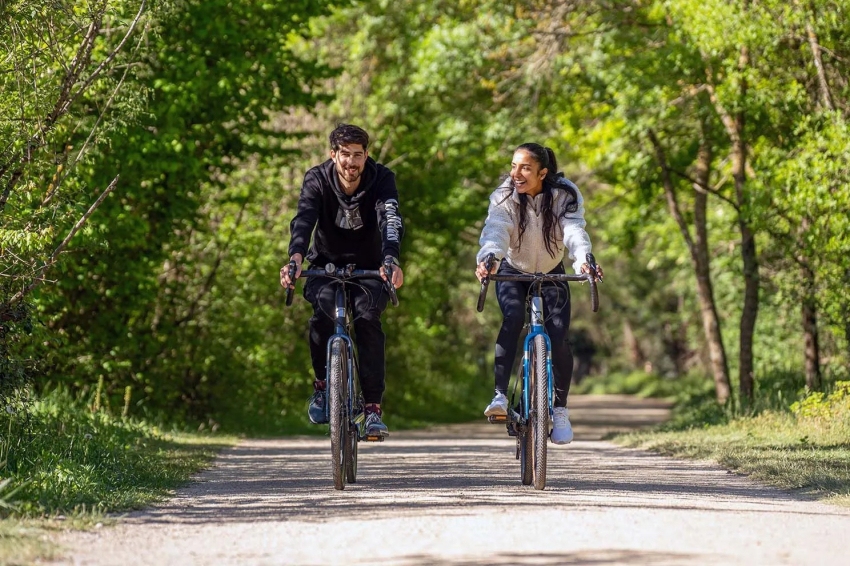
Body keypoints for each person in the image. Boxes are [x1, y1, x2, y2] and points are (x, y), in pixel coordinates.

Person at [280, 124, 404, 437]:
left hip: (371, 268)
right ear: (333, 154)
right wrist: (295, 258)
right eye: (345, 154)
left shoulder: (381, 178)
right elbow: (304, 219)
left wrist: (391, 259)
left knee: (367, 319)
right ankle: (323, 387)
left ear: (366, 155)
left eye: (358, 155)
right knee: (321, 314)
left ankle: (372, 408)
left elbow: (390, 219)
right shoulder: (317, 178)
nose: (351, 162)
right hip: (324, 265)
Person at [475, 143, 603, 445]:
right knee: (512, 317)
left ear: (543, 173)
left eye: (525, 168)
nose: (516, 173)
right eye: (513, 166)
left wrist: (584, 260)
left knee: (559, 335)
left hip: (551, 270)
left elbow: (574, 231)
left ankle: (560, 410)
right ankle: (500, 397)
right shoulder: (503, 195)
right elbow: (496, 230)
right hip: (512, 269)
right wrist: (490, 258)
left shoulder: (565, 194)